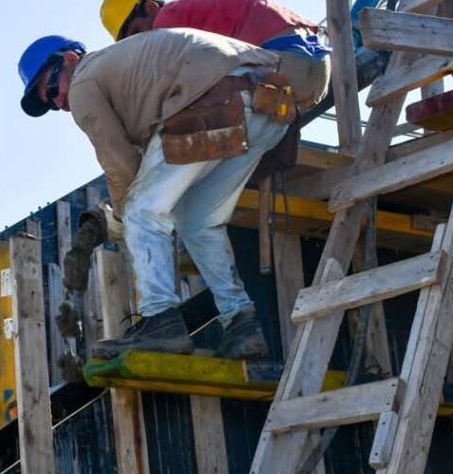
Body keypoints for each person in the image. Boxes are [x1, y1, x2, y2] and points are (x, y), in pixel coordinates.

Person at [18, 29, 298, 359]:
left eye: (51, 88)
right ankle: (241, 323)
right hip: (272, 103)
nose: (57, 102)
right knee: (197, 221)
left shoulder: (83, 83)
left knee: (141, 210)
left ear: (69, 59)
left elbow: (121, 164)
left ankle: (162, 321)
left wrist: (124, 220)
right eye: (49, 103)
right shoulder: (130, 70)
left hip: (216, 99)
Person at [99, 0, 330, 113]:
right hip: (316, 69)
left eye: (137, 33)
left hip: (285, 64)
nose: (142, 44)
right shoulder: (193, 11)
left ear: (150, 8)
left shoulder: (165, 19)